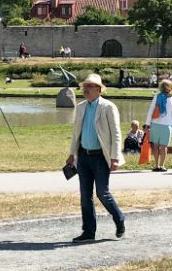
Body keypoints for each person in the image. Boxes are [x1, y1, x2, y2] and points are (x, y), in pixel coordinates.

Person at [65, 73, 126, 242]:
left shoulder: (108, 107)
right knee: (85, 196)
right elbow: (76, 133)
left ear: (98, 89)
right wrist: (71, 154)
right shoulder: (81, 107)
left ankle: (119, 218)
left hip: (101, 157)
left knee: (102, 193)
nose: (85, 89)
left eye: (89, 86)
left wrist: (115, 157)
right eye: (84, 86)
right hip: (84, 156)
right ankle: (89, 232)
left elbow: (116, 134)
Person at [145, 79, 172, 172]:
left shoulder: (157, 97)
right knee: (164, 147)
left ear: (161, 87)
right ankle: (162, 166)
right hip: (167, 126)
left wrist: (147, 123)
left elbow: (151, 110)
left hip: (155, 124)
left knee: (155, 146)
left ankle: (156, 165)